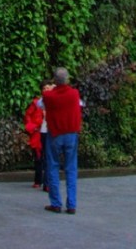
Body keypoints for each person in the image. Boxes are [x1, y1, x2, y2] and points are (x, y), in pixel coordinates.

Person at [41, 67, 82, 214]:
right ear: (67, 79)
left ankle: (56, 203)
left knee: (52, 166)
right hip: (71, 133)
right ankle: (71, 204)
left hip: (55, 133)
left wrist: (51, 89)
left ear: (54, 80)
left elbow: (40, 103)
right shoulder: (74, 93)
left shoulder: (49, 96)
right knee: (71, 168)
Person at [24, 85, 47, 189]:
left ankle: (46, 182)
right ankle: (38, 180)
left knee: (47, 158)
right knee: (38, 158)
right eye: (44, 88)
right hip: (37, 133)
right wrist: (32, 127)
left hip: (48, 132)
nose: (46, 90)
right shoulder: (36, 103)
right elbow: (28, 115)